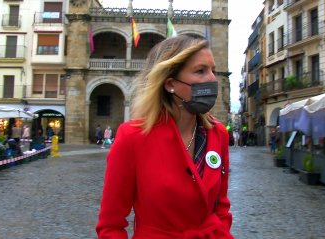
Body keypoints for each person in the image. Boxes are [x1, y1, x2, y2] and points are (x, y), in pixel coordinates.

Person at [96, 35, 233, 238]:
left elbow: (221, 207)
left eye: (213, 70)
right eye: (200, 71)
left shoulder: (218, 133)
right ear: (170, 84)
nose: (213, 79)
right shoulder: (132, 137)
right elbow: (111, 225)